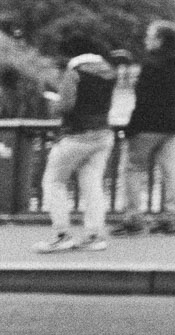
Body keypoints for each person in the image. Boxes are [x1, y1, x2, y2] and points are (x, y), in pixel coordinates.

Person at [33, 29, 118, 253]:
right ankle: (94, 236)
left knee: (54, 182)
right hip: (103, 135)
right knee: (92, 186)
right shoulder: (109, 72)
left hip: (77, 135)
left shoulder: (75, 73)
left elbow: (66, 106)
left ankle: (62, 235)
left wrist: (54, 102)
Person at [115, 21, 175, 236]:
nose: (146, 39)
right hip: (172, 125)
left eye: (149, 36)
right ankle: (170, 216)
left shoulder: (150, 64)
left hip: (147, 125)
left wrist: (131, 128)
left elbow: (143, 100)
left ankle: (134, 218)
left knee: (133, 169)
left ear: (159, 40)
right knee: (170, 170)